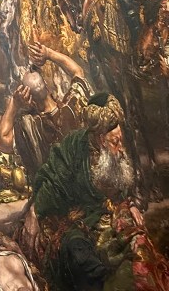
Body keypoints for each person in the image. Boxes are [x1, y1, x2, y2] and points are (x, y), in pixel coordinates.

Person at [24, 93, 169, 291]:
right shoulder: (74, 147)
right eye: (115, 142)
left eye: (120, 140)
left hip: (114, 215)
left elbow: (123, 188)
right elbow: (54, 183)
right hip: (81, 219)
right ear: (101, 139)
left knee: (138, 245)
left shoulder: (116, 149)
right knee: (79, 254)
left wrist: (131, 204)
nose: (120, 148)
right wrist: (35, 210)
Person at [0, 41, 91, 180]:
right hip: (85, 182)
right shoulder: (73, 106)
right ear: (46, 85)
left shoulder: (31, 128)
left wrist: (14, 104)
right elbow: (78, 72)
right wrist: (48, 53)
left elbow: (2, 141)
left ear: (31, 101)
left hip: (56, 190)